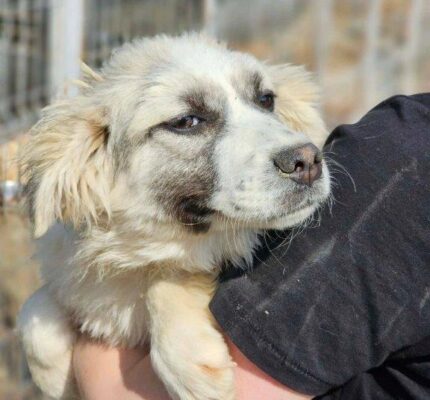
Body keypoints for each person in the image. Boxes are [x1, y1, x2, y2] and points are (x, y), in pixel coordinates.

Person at [73, 94, 430, 400]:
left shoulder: (406, 161)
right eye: (188, 121)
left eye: (265, 101)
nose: (303, 153)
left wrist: (79, 323)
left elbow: (116, 392)